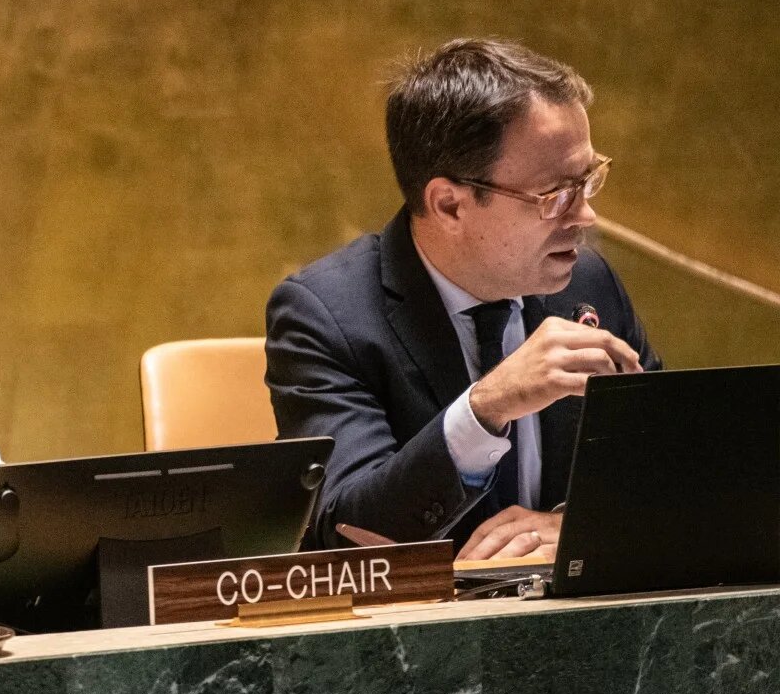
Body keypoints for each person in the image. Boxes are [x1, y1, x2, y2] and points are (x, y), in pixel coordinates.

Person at [265, 38, 660, 560]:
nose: (585, 216)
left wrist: (575, 527)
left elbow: (674, 465)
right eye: (556, 195)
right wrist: (486, 406)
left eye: (589, 181)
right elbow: (347, 532)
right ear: (449, 205)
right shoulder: (325, 315)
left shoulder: (588, 282)